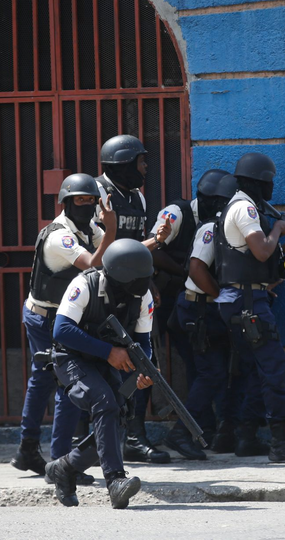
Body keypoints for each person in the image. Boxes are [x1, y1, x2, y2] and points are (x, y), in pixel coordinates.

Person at [11, 174, 117, 483]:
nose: (85, 205)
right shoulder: (61, 236)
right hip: (45, 317)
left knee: (47, 381)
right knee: (64, 383)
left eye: (90, 200)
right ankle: (58, 464)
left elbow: (111, 255)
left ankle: (28, 450)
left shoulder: (89, 229)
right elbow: (94, 264)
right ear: (66, 203)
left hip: (63, 316)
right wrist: (110, 228)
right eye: (79, 200)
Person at [214, 152, 285, 463]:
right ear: (260, 182)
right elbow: (260, 252)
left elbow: (252, 255)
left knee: (256, 372)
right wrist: (279, 230)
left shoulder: (239, 206)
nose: (272, 187)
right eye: (270, 181)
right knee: (274, 370)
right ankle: (281, 443)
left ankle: (244, 436)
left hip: (242, 301)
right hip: (248, 304)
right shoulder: (244, 208)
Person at [44, 239, 155, 509]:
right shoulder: (85, 285)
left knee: (117, 414)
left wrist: (143, 370)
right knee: (105, 400)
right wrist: (108, 351)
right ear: (122, 276)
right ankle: (115, 481)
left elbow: (144, 342)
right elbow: (61, 330)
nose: (143, 285)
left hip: (109, 361)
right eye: (138, 279)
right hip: (71, 358)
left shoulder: (143, 297)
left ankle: (64, 468)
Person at [95, 134, 171, 464]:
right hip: (102, 295)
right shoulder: (97, 193)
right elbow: (99, 250)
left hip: (134, 293)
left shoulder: (137, 198)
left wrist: (149, 274)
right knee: (99, 366)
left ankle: (135, 436)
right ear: (123, 165)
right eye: (140, 161)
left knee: (142, 361)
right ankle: (94, 440)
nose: (145, 167)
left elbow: (135, 247)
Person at [164, 174, 243, 460]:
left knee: (212, 373)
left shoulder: (223, 225)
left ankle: (206, 431)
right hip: (197, 311)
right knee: (211, 373)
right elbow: (196, 268)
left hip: (205, 310)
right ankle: (181, 433)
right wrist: (223, 298)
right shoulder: (210, 227)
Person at [150, 169, 230, 399]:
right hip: (165, 299)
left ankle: (198, 424)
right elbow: (152, 251)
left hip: (192, 304)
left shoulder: (215, 221)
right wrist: (186, 271)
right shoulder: (176, 213)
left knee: (200, 363)